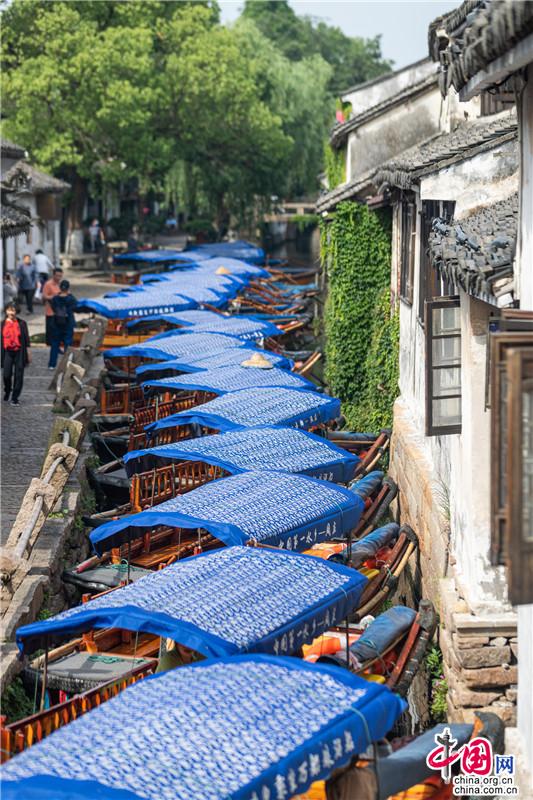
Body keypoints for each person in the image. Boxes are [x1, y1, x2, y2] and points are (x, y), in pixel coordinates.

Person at [2, 301, 31, 406]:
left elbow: (27, 340)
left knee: (19, 375)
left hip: (19, 352)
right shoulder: (2, 324)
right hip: (7, 352)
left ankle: (15, 397)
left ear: (16, 311)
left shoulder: (22, 323)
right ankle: (8, 390)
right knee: (6, 375)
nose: (11, 312)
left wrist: (28, 353)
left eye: (13, 310)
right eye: (9, 310)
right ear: (6, 311)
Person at [48, 279, 77, 369]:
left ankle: (52, 364)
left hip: (56, 322)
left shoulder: (55, 298)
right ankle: (67, 363)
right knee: (68, 344)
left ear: (60, 288)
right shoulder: (71, 299)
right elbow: (75, 307)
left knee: (55, 344)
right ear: (68, 288)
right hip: (68, 323)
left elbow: (53, 308)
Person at [42, 267, 64, 346]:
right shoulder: (48, 284)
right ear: (53, 275)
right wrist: (54, 297)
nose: (58, 278)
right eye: (57, 276)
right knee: (50, 327)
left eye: (60, 276)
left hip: (60, 310)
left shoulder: (61, 284)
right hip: (50, 310)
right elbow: (44, 296)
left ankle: (57, 341)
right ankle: (49, 343)